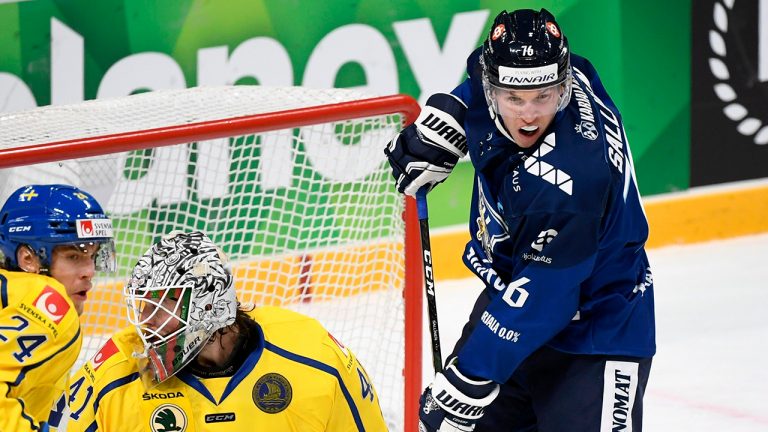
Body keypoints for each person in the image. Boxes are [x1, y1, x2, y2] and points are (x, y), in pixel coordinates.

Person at [385, 8, 655, 432]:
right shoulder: (564, 71)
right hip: (513, 294)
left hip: (596, 331)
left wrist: (469, 377)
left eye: (542, 97)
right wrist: (454, 110)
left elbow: (547, 295)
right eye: (514, 98)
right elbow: (481, 69)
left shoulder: (570, 184)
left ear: (562, 90)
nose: (529, 115)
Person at [66, 230, 388, 432]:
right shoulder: (114, 374)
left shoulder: (313, 354)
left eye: (160, 306)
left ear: (206, 304)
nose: (145, 322)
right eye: (142, 306)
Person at [0, 184, 116, 432]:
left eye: (93, 256)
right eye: (74, 257)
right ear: (28, 259)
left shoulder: (13, 289)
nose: (89, 271)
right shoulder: (50, 307)